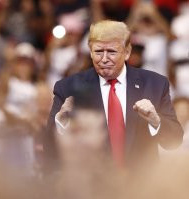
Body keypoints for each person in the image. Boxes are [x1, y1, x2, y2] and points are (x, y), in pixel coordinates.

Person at [45, 20, 183, 172]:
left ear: (127, 52)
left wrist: (156, 121)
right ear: (90, 52)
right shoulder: (68, 88)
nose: (104, 59)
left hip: (142, 189)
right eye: (98, 52)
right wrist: (62, 121)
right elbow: (49, 148)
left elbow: (174, 141)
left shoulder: (155, 84)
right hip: (92, 189)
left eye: (111, 52)